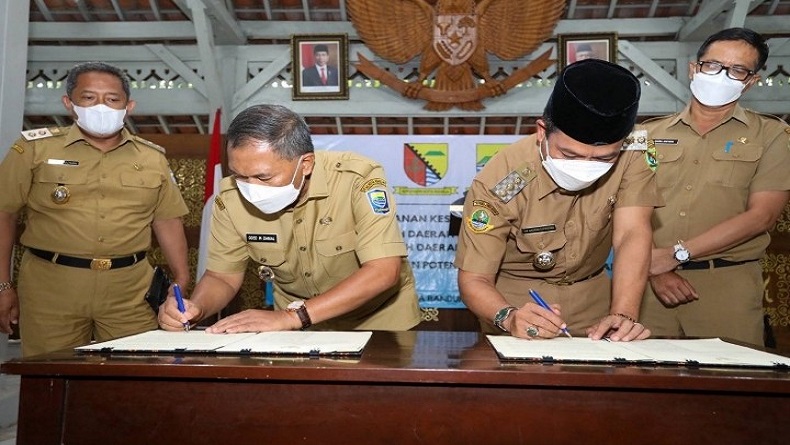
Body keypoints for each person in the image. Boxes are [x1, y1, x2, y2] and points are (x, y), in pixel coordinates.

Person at [159, 104, 420, 333]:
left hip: (379, 322)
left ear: (305, 164)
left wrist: (293, 316)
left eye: (263, 177)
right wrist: (196, 309)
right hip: (294, 328)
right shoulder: (230, 199)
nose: (250, 188)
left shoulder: (358, 179)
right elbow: (222, 277)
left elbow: (383, 270)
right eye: (239, 176)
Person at [454, 59, 662, 342]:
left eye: (604, 158)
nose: (587, 166)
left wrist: (623, 314)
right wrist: (509, 317)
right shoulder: (500, 181)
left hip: (596, 302)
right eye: (571, 155)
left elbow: (632, 233)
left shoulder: (634, 150)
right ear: (542, 131)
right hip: (519, 302)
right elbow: (474, 279)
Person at [0, 61, 190, 357]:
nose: (101, 106)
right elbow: (4, 214)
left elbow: (166, 220)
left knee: (136, 379)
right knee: (51, 379)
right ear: (69, 103)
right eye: (89, 98)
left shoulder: (152, 158)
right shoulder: (34, 149)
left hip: (130, 290)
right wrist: (3, 285)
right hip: (51, 287)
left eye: (113, 99)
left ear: (129, 106)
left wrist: (181, 279)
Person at [639, 28, 790, 347]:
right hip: (646, 285)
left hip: (725, 285)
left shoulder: (773, 136)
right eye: (712, 65)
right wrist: (655, 267)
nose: (721, 76)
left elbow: (762, 216)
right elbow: (629, 207)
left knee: (730, 390)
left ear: (750, 81)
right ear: (694, 69)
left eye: (736, 70)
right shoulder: (647, 135)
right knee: (645, 384)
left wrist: (676, 254)